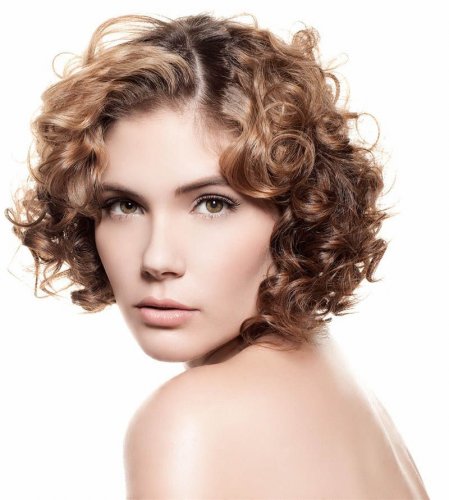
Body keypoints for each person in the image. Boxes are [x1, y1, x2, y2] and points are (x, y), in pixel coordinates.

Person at [4, 11, 430, 499]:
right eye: (125, 205)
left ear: (298, 214)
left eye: (212, 204)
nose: (157, 259)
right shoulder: (335, 385)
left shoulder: (192, 419)